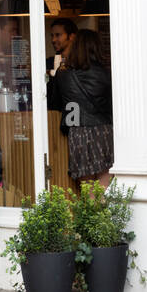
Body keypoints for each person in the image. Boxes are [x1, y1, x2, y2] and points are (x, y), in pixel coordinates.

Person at [50, 28, 113, 187]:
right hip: (104, 131)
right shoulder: (107, 73)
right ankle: (104, 212)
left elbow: (55, 103)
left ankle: (92, 212)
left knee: (88, 190)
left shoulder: (63, 74)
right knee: (105, 187)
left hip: (78, 132)